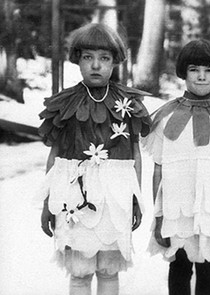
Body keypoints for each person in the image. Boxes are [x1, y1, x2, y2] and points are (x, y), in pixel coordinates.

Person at [37, 23, 152, 295]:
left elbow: (135, 153)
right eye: (88, 57)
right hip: (74, 196)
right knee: (80, 271)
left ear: (115, 62)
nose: (96, 66)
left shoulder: (127, 104)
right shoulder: (65, 104)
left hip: (116, 196)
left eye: (104, 58)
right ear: (78, 60)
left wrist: (135, 198)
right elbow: (54, 157)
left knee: (109, 270)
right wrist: (47, 203)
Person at [142, 39, 210, 295]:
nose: (201, 77)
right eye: (194, 69)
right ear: (184, 73)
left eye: (208, 70)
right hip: (178, 210)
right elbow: (159, 169)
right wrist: (160, 213)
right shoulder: (166, 118)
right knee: (180, 267)